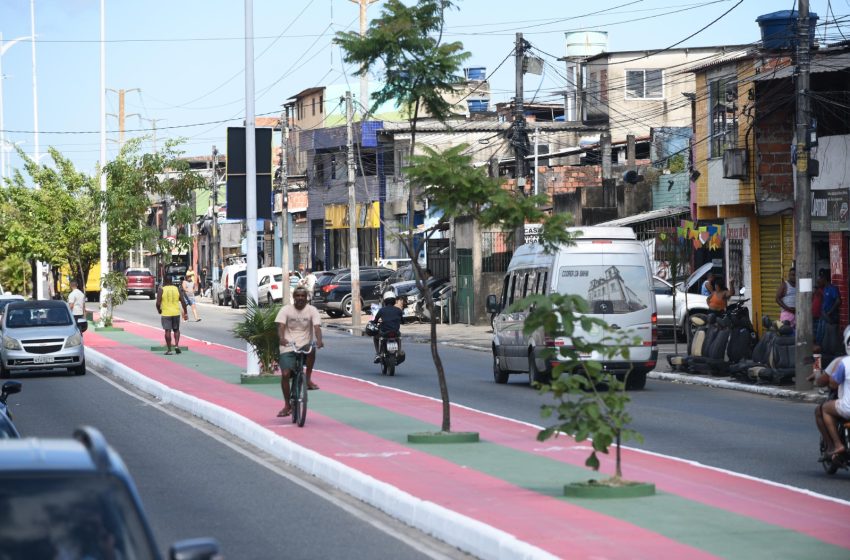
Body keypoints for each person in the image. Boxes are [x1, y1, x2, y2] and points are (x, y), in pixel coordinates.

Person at [275, 286, 323, 417]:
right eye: (298, 296)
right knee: (285, 374)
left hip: (304, 344)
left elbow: (317, 327)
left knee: (312, 348)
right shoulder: (286, 310)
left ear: (307, 297)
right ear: (294, 297)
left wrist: (319, 340)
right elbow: (280, 326)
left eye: (303, 296)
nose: (300, 298)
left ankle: (307, 379)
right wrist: (281, 338)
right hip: (288, 345)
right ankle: (287, 405)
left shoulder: (312, 310)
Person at [814, 326, 850, 461]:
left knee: (822, 410)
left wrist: (816, 363)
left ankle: (834, 445)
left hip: (846, 406)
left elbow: (822, 382)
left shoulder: (840, 361)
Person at [156, 275, 188, 355]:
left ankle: (169, 350)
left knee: (167, 331)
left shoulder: (162, 289)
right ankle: (176, 346)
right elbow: (183, 301)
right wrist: (185, 312)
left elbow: (158, 303)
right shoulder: (176, 289)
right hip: (176, 313)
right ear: (172, 281)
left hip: (166, 313)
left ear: (164, 281)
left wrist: (159, 310)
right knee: (176, 330)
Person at [373, 291, 404, 363]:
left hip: (384, 332)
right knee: (399, 337)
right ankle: (399, 352)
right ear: (394, 301)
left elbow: (375, 320)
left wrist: (375, 322)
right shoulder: (398, 310)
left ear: (385, 301)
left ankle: (378, 353)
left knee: (375, 337)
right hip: (395, 332)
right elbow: (403, 321)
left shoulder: (382, 310)